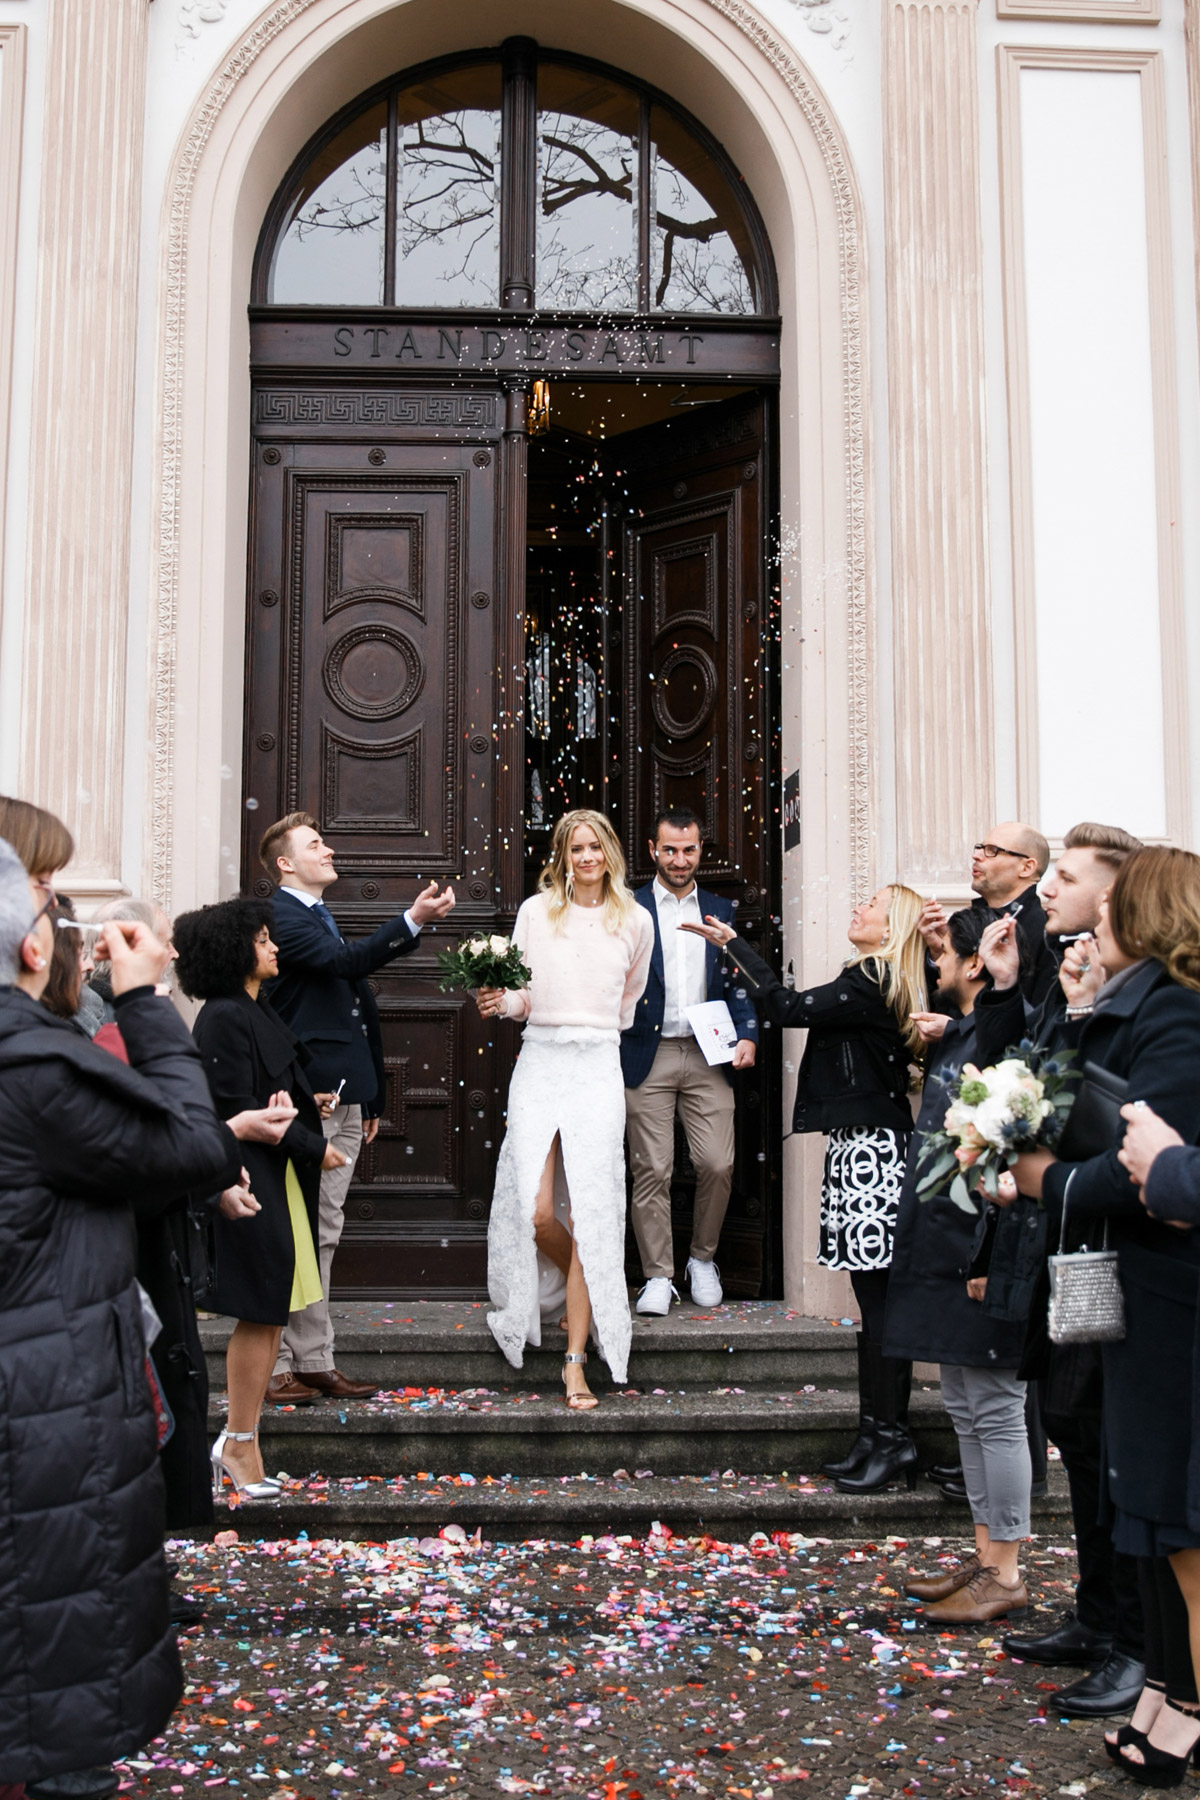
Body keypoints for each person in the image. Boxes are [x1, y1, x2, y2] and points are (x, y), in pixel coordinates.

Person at [0, 830, 241, 1800]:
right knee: (51, 1673)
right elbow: (189, 1146)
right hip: (39, 1404)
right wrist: (144, 1001)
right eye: (53, 911)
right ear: (29, 946)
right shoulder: (33, 1071)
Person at [997, 847, 1200, 1781]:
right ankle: (1168, 1686)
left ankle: (1184, 1699)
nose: (1092, 918)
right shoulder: (1130, 1002)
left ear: (1151, 915)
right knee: (1148, 1508)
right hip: (1140, 1285)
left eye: (1113, 903)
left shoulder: (1176, 1011)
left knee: (1171, 1510)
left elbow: (1143, 1162)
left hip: (1172, 1285)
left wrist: (1046, 1179)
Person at [975, 822, 1146, 1718]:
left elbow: (1103, 1108)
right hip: (1060, 1240)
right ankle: (1095, 1612)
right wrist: (1009, 985)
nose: (1049, 888)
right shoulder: (1057, 965)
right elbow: (1011, 1066)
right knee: (1075, 1429)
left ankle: (1132, 1640)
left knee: (1105, 1436)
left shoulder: (1139, 994)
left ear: (1115, 897)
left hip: (1109, 1248)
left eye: (1068, 877)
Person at [684, 883, 928, 1491]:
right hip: (859, 1145)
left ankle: (891, 1440)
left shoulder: (873, 980)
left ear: (890, 926)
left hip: (876, 1152)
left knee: (881, 1307)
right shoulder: (868, 976)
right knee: (874, 1306)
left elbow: (787, 1007)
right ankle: (877, 1436)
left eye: (869, 904)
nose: (858, 906)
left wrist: (735, 943)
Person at [257, 811, 456, 1404]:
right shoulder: (281, 916)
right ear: (285, 863)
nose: (330, 849)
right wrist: (411, 920)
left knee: (323, 1228)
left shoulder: (317, 915)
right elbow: (347, 968)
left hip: (343, 1094)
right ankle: (277, 1366)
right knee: (299, 1230)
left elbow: (353, 1007)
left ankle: (313, 1358)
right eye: (315, 844)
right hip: (309, 1097)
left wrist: (372, 1093)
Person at [476, 809, 654, 1407]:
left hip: (597, 1063)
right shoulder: (535, 912)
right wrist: (503, 1003)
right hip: (541, 1062)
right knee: (537, 1211)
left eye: (594, 847)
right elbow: (526, 990)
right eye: (575, 848)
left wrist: (591, 1027)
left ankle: (574, 1360)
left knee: (597, 1210)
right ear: (562, 854)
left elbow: (627, 1001)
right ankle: (601, 1288)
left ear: (610, 853)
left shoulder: (634, 920)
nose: (585, 858)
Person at [885, 908, 1032, 1623]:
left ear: (977, 963)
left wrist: (990, 1250)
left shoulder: (997, 1035)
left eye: (941, 950)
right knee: (966, 1407)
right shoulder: (961, 1032)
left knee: (996, 1408)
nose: (932, 962)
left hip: (979, 1239)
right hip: (943, 1236)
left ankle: (1005, 1569)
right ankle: (984, 1556)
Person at [175, 898, 332, 1497]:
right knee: (262, 1308)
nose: (273, 947)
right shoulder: (222, 1015)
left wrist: (306, 1108)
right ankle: (237, 1443)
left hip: (275, 1178)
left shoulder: (252, 1008)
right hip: (249, 1180)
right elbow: (223, 1110)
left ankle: (246, 1447)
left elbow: (265, 1092)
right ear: (235, 949)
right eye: (262, 939)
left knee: (272, 1310)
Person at [620, 806, 758, 1313]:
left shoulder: (721, 908)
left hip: (708, 1053)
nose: (680, 859)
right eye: (671, 850)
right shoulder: (628, 907)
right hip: (646, 1052)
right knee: (651, 1168)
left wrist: (748, 1034)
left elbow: (739, 979)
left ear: (701, 851)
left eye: (689, 849)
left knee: (717, 1163)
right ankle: (658, 1275)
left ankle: (702, 1258)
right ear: (653, 850)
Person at [921, 824, 1056, 1006]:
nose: (976, 856)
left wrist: (955, 1027)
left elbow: (1036, 1015)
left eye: (992, 851)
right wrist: (940, 951)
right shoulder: (965, 920)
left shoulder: (1045, 933)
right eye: (980, 848)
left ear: (1026, 868)